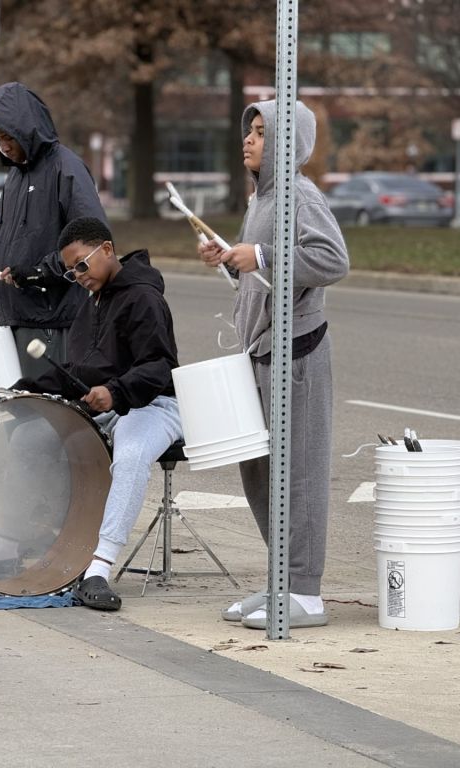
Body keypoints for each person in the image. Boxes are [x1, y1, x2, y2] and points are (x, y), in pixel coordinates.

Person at [197, 99, 349, 630]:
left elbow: (332, 260)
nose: (250, 140)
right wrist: (231, 260)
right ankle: (280, 578)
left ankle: (305, 591)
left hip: (298, 355)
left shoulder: (299, 195)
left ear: (289, 144)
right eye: (250, 132)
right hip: (258, 354)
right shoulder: (261, 198)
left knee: (299, 474)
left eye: (262, 133)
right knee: (258, 472)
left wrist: (258, 255)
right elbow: (264, 280)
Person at [10, 216, 183, 611]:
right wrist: (29, 389)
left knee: (131, 456)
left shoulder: (144, 298)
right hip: (111, 406)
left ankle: (99, 570)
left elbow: (159, 366)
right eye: (71, 271)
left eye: (82, 265)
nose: (78, 275)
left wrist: (116, 392)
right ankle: (20, 543)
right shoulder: (92, 304)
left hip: (154, 404)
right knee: (30, 438)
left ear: (107, 249)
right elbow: (81, 376)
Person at [0, 82, 108, 378]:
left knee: (49, 413)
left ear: (29, 130)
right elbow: (4, 247)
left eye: (9, 137)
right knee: (22, 409)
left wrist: (39, 272)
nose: (5, 146)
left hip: (52, 323)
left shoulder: (67, 168)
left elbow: (92, 240)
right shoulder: (15, 177)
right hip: (13, 318)